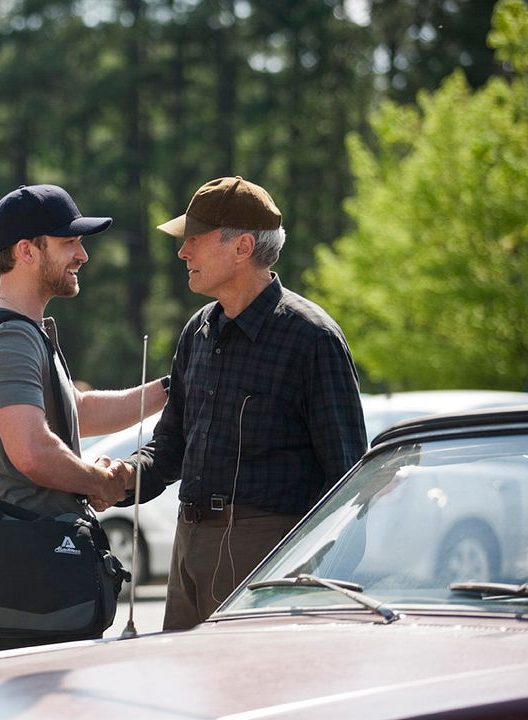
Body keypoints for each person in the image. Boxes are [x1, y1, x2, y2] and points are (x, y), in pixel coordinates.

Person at [112, 176, 367, 631]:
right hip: (187, 548)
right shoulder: (198, 331)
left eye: (193, 239)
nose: (182, 252)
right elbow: (169, 447)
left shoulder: (312, 338)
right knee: (187, 694)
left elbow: (347, 483)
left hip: (268, 560)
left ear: (243, 246)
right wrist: (119, 479)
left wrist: (320, 585)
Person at [0, 183, 166, 520]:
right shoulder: (10, 338)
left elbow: (78, 411)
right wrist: (99, 483)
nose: (83, 255)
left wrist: (171, 389)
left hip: (40, 543)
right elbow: (31, 451)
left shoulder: (24, 329)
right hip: (33, 547)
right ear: (26, 251)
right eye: (69, 243)